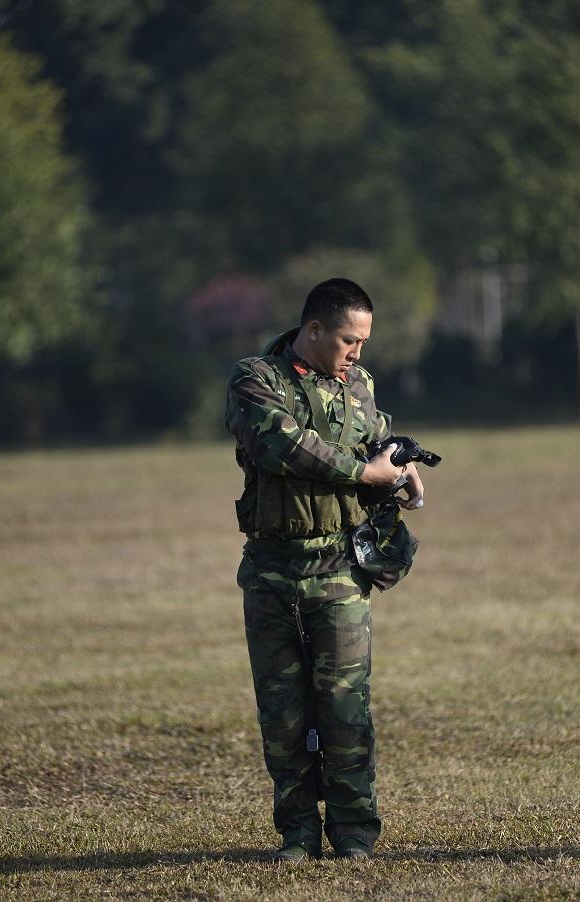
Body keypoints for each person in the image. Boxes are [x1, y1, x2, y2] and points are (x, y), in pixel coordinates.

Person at [225, 278, 424, 861]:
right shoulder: (256, 378)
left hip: (341, 567)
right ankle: (298, 834)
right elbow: (281, 445)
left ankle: (355, 833)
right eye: (346, 340)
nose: (357, 352)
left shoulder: (356, 383)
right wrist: (364, 475)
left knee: (344, 709)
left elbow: (376, 434)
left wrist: (403, 465)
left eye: (362, 341)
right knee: (283, 715)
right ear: (312, 329)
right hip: (272, 570)